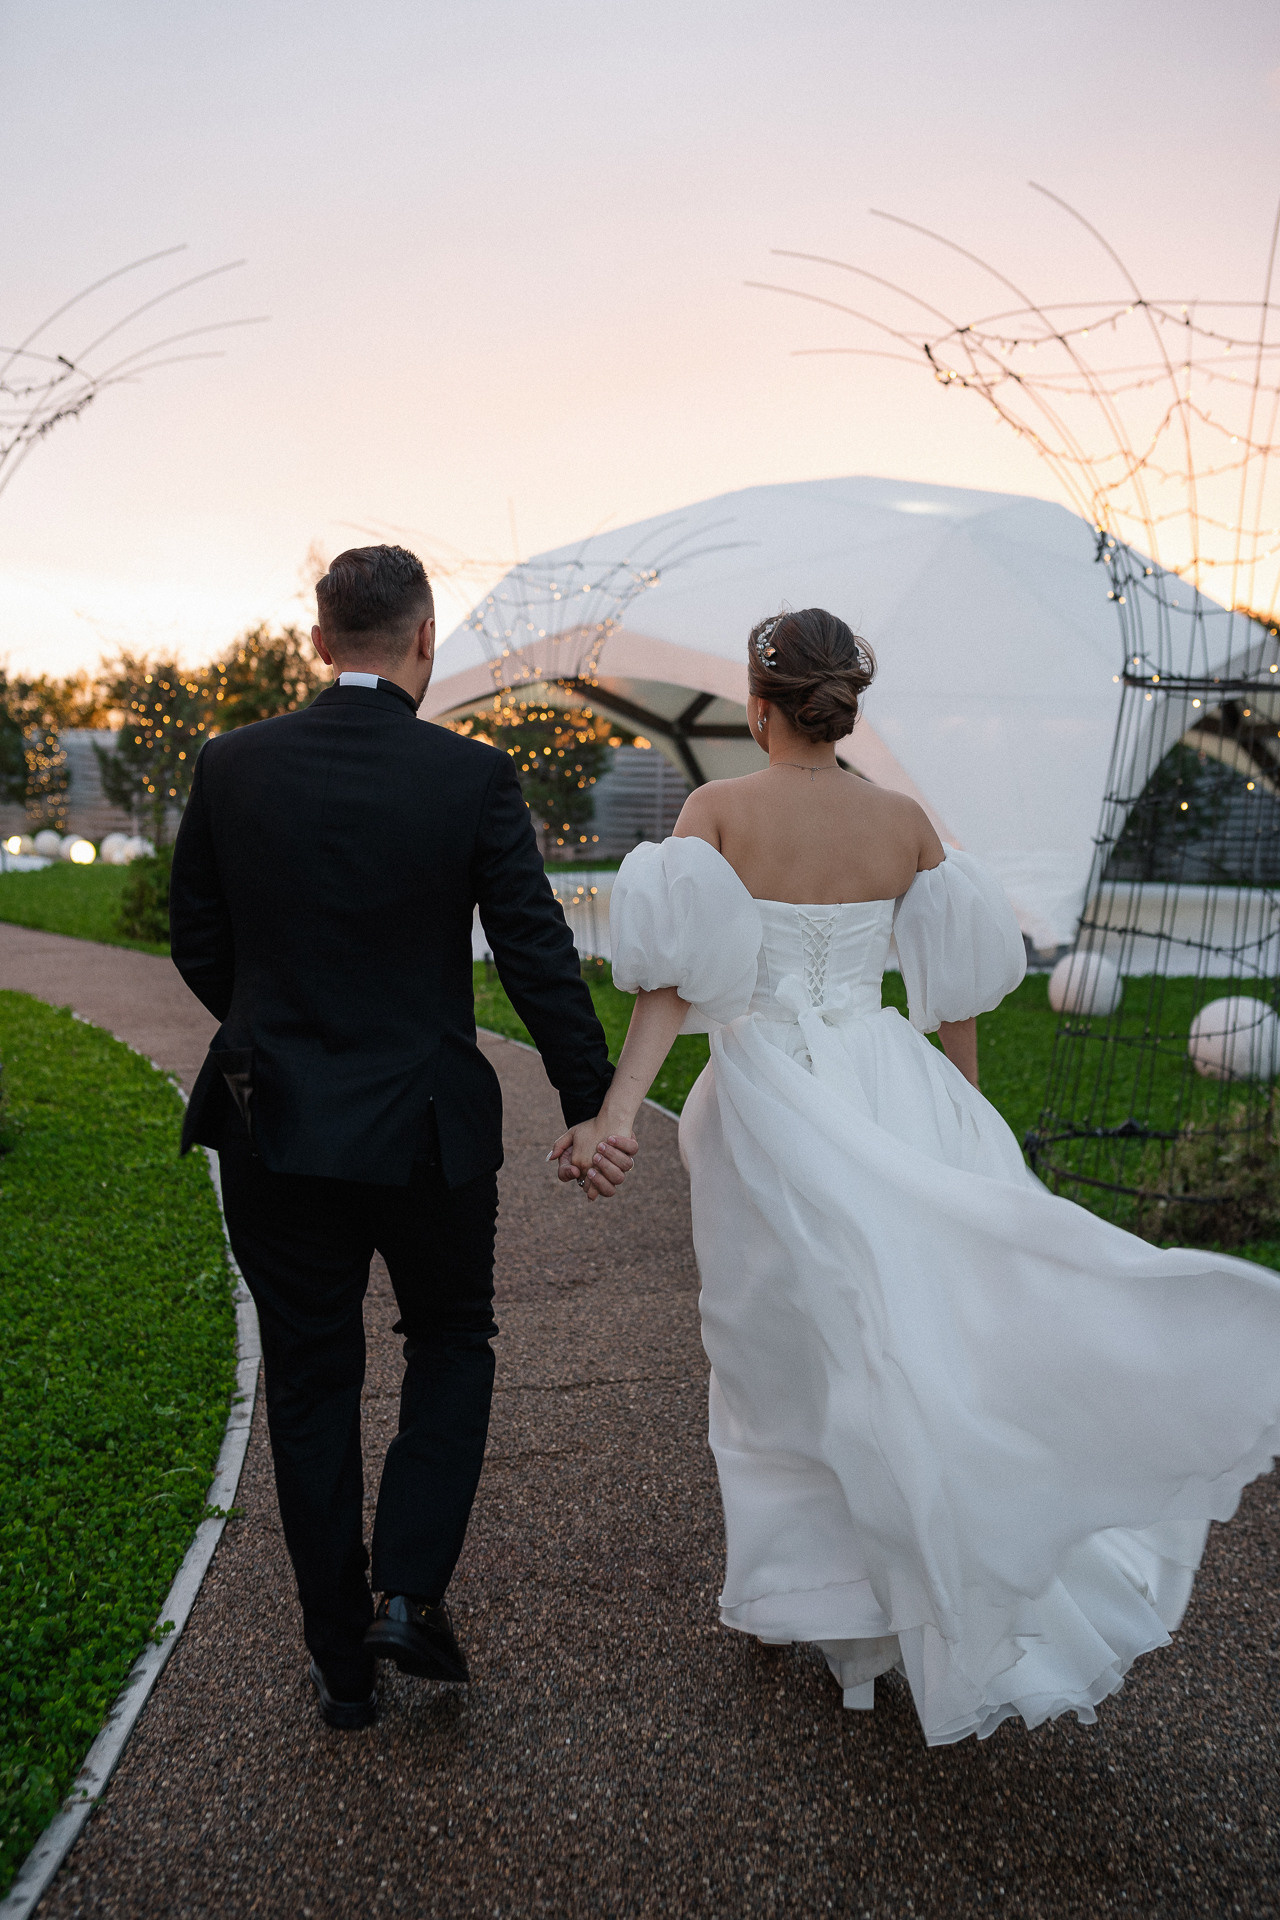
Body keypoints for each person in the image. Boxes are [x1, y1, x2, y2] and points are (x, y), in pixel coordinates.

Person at [549, 605, 1280, 1746]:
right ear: (845, 704)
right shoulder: (905, 825)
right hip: (887, 1083)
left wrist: (614, 1116)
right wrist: (965, 1123)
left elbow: (672, 987)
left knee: (774, 1355)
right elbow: (954, 995)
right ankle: (877, 1588)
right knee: (896, 1337)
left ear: (757, 703)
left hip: (768, 1098)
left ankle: (817, 1598)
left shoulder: (716, 811)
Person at [170, 544, 637, 1730]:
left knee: (311, 1379)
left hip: (272, 1125)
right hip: (425, 1129)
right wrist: (590, 1102)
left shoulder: (230, 765)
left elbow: (197, 941)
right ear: (423, 639)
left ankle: (338, 1663)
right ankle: (407, 1592)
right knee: (452, 1338)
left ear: (319, 641)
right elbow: (531, 948)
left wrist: (276, 1029)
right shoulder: (469, 776)